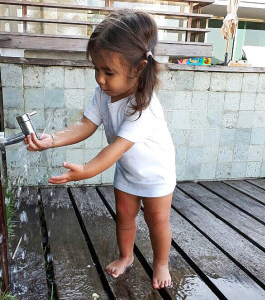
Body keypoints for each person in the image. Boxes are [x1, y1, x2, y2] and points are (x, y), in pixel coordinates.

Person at [25, 9, 176, 289]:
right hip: (128, 171)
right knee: (125, 215)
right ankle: (126, 256)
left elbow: (115, 148)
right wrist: (53, 139)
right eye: (96, 69)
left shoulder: (144, 106)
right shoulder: (104, 93)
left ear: (139, 68)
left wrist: (85, 170)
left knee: (157, 220)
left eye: (108, 72)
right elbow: (86, 124)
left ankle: (161, 263)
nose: (100, 79)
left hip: (157, 173)